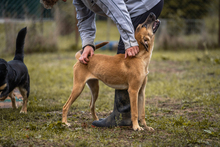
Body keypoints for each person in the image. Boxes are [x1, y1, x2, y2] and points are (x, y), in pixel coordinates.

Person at [40, 0, 164, 127]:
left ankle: (123, 117)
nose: (66, 1)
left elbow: (117, 9)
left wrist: (130, 41)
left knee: (126, 50)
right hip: (136, 8)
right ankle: (125, 117)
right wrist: (88, 43)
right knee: (127, 54)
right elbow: (83, 17)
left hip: (142, 5)